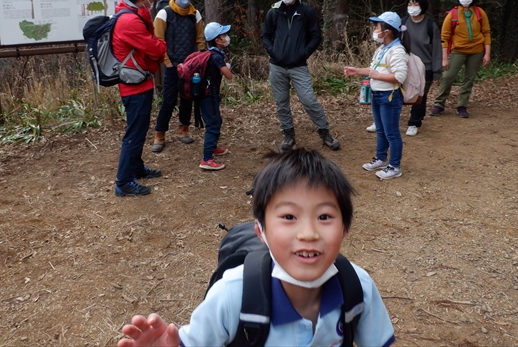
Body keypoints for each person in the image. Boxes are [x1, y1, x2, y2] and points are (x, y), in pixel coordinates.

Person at [117, 148, 395, 347]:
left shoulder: (357, 287)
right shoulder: (232, 294)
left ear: (344, 228)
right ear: (260, 231)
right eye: (288, 217)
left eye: (324, 217)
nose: (308, 233)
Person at [262, 0, 340, 151]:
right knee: (281, 102)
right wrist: (273, 51)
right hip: (277, 65)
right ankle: (288, 134)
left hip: (298, 66)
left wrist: (304, 53)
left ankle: (324, 132)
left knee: (309, 100)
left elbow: (315, 36)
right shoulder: (273, 12)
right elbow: (265, 36)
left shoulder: (306, 11)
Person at [113, 0, 168, 197]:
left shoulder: (131, 14)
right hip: (135, 87)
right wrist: (162, 44)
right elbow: (155, 48)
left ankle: (136, 168)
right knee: (134, 134)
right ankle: (123, 182)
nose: (154, 0)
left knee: (139, 130)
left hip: (139, 82)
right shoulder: (129, 21)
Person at [366, 0, 441, 136]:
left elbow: (437, 49)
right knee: (392, 92)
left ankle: (414, 122)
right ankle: (381, 120)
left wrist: (437, 70)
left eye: (416, 4)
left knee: (419, 96)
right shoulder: (403, 22)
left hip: (424, 67)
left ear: (422, 5)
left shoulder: (431, 25)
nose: (412, 7)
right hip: (402, 63)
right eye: (409, 4)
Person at [345, 12, 409, 180]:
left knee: (392, 133)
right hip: (377, 95)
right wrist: (357, 71)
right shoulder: (382, 49)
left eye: (377, 27)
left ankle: (395, 166)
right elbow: (373, 69)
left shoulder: (397, 50)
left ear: (387, 31)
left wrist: (376, 76)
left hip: (390, 97)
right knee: (381, 130)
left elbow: (400, 76)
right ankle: (381, 159)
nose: (374, 30)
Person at [152, 0, 206, 152]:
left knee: (187, 98)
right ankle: (159, 134)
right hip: (172, 65)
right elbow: (158, 40)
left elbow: (200, 39)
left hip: (190, 65)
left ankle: (184, 129)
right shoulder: (164, 13)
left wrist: (200, 60)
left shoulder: (194, 14)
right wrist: (167, 63)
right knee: (168, 100)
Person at [431, 0, 491, 118]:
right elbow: (444, 37)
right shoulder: (452, 14)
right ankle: (439, 104)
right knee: (447, 76)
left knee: (469, 79)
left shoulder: (479, 12)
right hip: (458, 51)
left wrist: (487, 53)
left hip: (476, 51)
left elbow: (486, 33)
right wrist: (444, 58)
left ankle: (462, 106)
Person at [198, 22, 233, 171]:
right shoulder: (216, 57)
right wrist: (227, 67)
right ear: (217, 40)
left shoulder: (210, 53)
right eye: (223, 35)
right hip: (208, 96)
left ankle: (212, 147)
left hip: (206, 95)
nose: (226, 37)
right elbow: (229, 76)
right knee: (213, 124)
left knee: (216, 120)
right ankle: (206, 159)